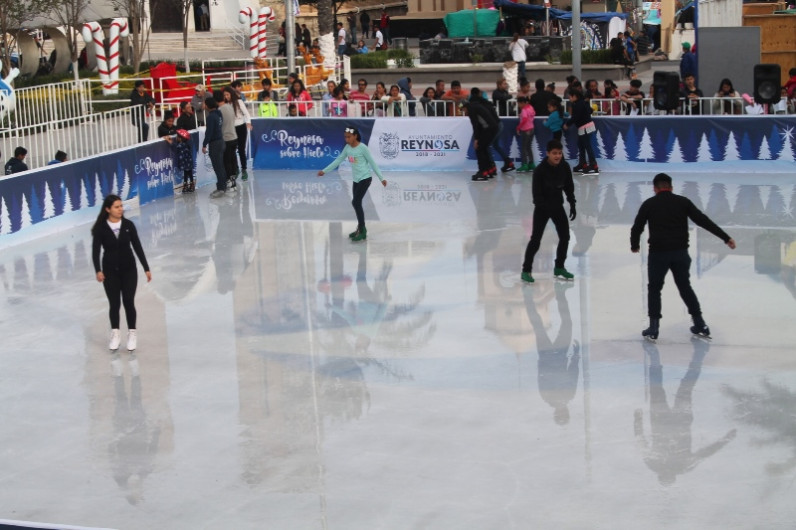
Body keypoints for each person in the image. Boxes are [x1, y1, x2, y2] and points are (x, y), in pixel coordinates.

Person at [630, 173, 736, 340]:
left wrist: (634, 245)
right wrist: (725, 237)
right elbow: (703, 221)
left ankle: (654, 327)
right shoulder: (683, 202)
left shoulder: (649, 204)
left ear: (655, 188)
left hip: (658, 254)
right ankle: (700, 323)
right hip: (680, 253)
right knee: (685, 286)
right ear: (671, 187)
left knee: (654, 289)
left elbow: (637, 227)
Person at [91, 194, 152, 351]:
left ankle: (132, 333)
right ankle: (115, 333)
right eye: (117, 207)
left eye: (121, 206)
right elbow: (95, 251)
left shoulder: (128, 225)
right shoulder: (100, 229)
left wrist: (146, 268)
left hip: (129, 270)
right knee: (114, 303)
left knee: (128, 301)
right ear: (108, 209)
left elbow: (137, 247)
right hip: (110, 271)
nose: (120, 209)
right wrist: (98, 270)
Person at [317, 126, 387, 241]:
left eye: (349, 137)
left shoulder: (363, 148)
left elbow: (373, 163)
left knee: (356, 201)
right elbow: (338, 160)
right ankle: (360, 227)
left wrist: (381, 178)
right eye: (345, 137)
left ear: (355, 136)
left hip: (365, 178)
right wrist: (325, 171)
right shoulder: (347, 148)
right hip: (356, 180)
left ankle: (363, 229)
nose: (347, 139)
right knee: (356, 203)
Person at [521, 139, 576, 283]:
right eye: (554, 153)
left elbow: (568, 187)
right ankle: (526, 270)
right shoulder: (539, 171)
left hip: (557, 206)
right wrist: (547, 209)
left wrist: (572, 203)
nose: (557, 156)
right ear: (547, 154)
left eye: (559, 153)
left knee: (565, 237)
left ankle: (559, 267)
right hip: (542, 209)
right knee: (536, 240)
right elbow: (536, 197)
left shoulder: (564, 166)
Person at [463, 88, 500, 181]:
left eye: (463, 110)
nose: (464, 113)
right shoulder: (474, 106)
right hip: (492, 127)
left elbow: (475, 125)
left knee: (479, 149)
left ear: (465, 107)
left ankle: (482, 172)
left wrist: (476, 140)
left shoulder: (471, 109)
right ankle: (489, 170)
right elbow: (479, 125)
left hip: (489, 128)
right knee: (483, 148)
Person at [563, 90, 599, 174]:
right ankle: (583, 163)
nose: (569, 98)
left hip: (585, 128)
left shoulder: (578, 105)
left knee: (587, 146)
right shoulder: (582, 102)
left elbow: (575, 117)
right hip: (585, 127)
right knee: (581, 145)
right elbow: (590, 110)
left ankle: (593, 164)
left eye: (570, 96)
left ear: (575, 96)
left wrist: (567, 124)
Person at [201, 96, 227, 198]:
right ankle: (223, 186)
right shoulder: (219, 114)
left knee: (218, 166)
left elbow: (209, 132)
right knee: (220, 166)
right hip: (221, 141)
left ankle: (221, 188)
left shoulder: (211, 117)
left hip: (215, 144)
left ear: (207, 105)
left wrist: (204, 144)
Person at [225, 86, 252, 181]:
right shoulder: (225, 105)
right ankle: (235, 168)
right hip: (231, 128)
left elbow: (246, 113)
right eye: (225, 95)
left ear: (231, 94)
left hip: (240, 127)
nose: (226, 97)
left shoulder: (239, 102)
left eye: (227, 94)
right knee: (232, 150)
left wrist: (248, 122)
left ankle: (244, 169)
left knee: (241, 149)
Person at [516, 96, 536, 172]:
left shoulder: (524, 110)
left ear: (521, 103)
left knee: (524, 148)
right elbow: (533, 114)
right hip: (532, 129)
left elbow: (524, 119)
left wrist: (518, 127)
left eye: (518, 103)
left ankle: (524, 164)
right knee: (528, 147)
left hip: (526, 130)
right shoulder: (530, 107)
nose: (518, 105)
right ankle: (531, 163)